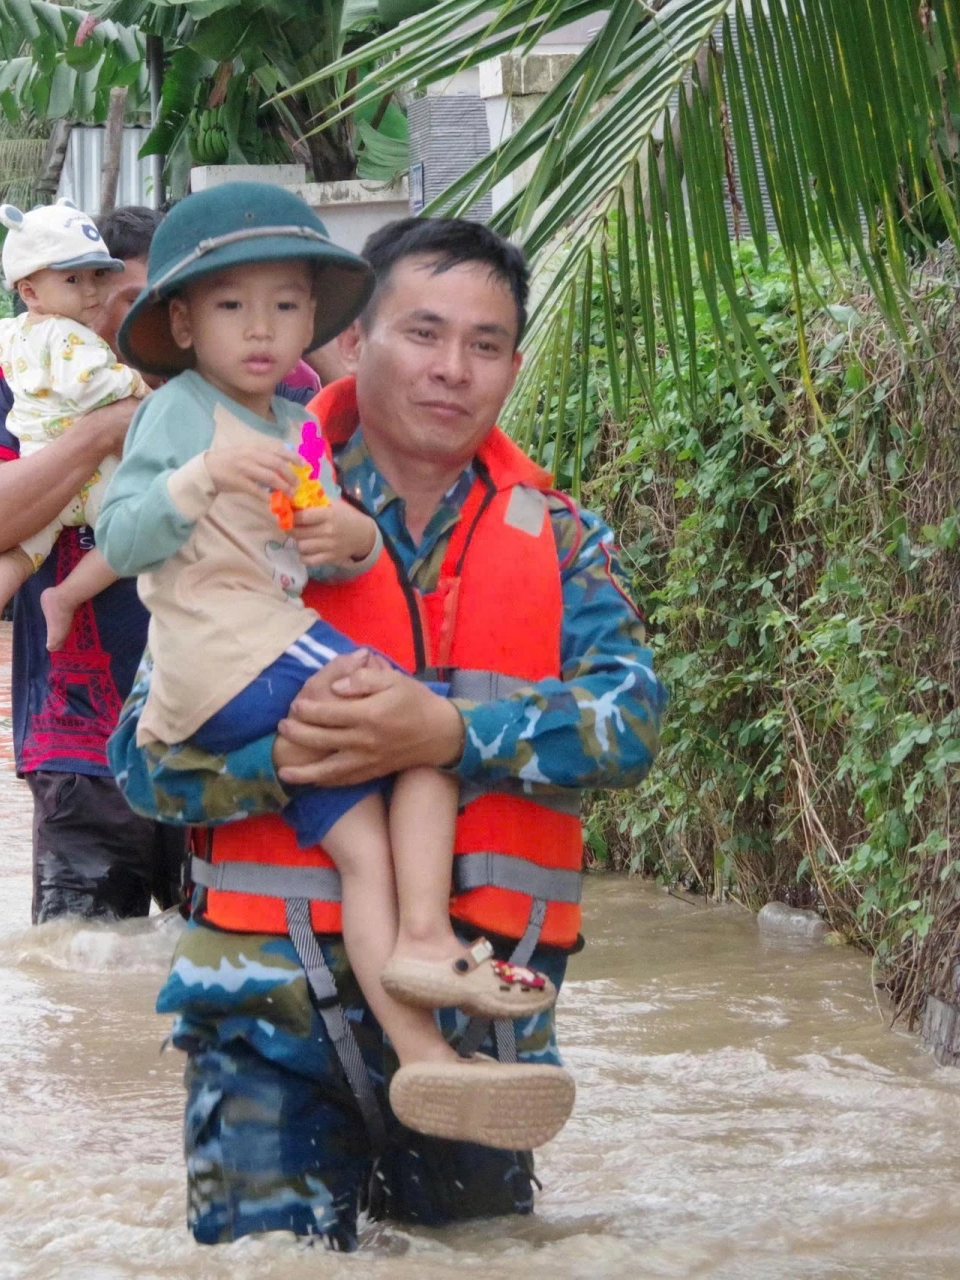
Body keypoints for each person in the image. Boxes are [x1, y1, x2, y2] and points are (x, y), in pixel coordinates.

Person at [108, 217, 665, 1248]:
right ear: (354, 343)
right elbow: (140, 760)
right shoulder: (244, 494)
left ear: (511, 364)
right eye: (422, 332)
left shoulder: (563, 536)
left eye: (486, 344)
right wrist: (280, 761)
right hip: (266, 1016)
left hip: (482, 1039)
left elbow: (630, 722)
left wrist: (446, 730)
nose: (453, 368)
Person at [0, 203, 186, 925]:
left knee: (223, 975)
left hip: (218, 737)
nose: (141, 321)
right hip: (80, 747)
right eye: (120, 300)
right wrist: (102, 431)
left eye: (163, 301)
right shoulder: (21, 386)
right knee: (82, 975)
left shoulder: (222, 386)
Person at [0, 202, 140, 670]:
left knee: (21, 553)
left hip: (189, 695)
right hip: (64, 705)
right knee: (130, 529)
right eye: (131, 297)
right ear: (33, 291)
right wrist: (114, 422)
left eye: (99, 279)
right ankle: (47, 601)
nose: (93, 295)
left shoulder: (16, 341)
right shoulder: (8, 385)